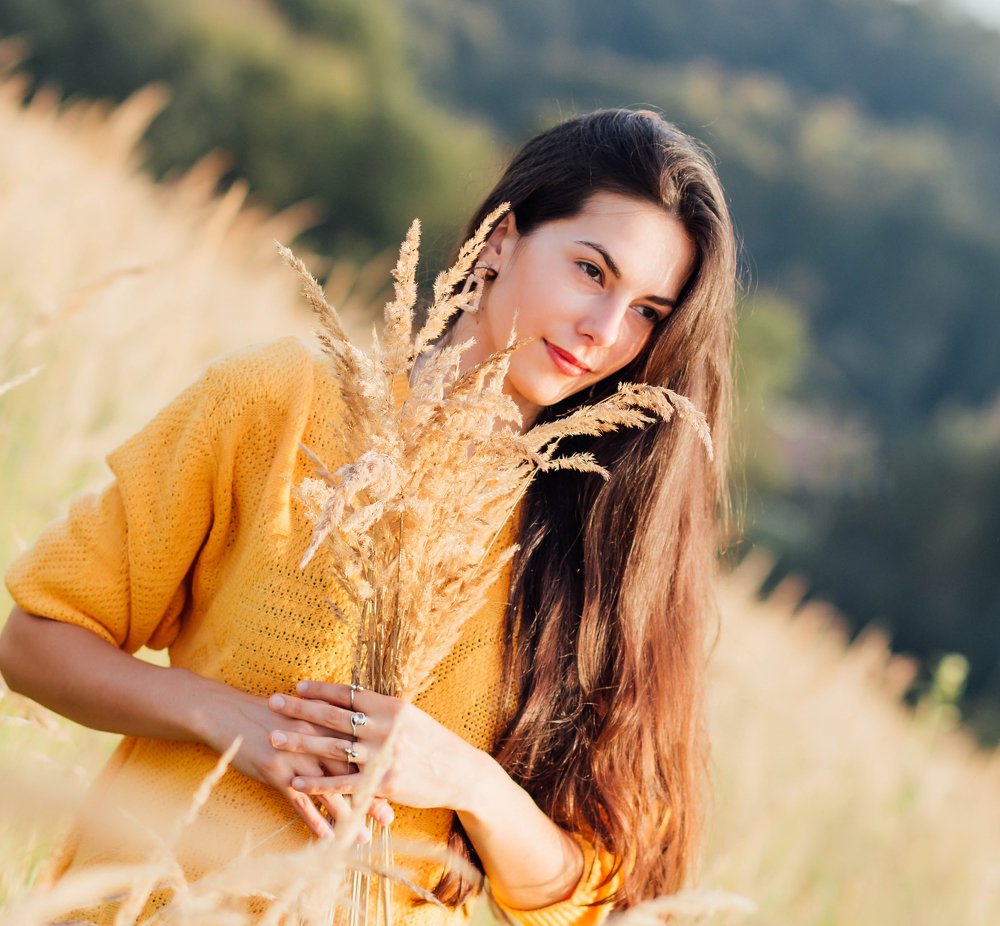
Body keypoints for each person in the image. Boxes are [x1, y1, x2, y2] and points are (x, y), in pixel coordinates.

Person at [0, 108, 737, 925]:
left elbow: (601, 892)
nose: (604, 330)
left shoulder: (594, 547)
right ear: (500, 241)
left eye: (647, 311)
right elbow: (35, 643)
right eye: (592, 271)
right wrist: (222, 717)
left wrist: (467, 781)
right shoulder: (282, 402)